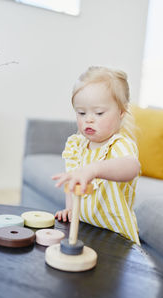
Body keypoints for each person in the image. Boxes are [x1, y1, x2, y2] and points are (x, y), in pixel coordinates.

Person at [52, 66, 141, 245]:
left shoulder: (119, 145)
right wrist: (70, 209)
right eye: (81, 113)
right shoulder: (77, 146)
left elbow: (132, 167)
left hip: (117, 237)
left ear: (121, 112)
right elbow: (73, 182)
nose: (88, 119)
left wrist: (94, 169)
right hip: (85, 229)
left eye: (99, 113)